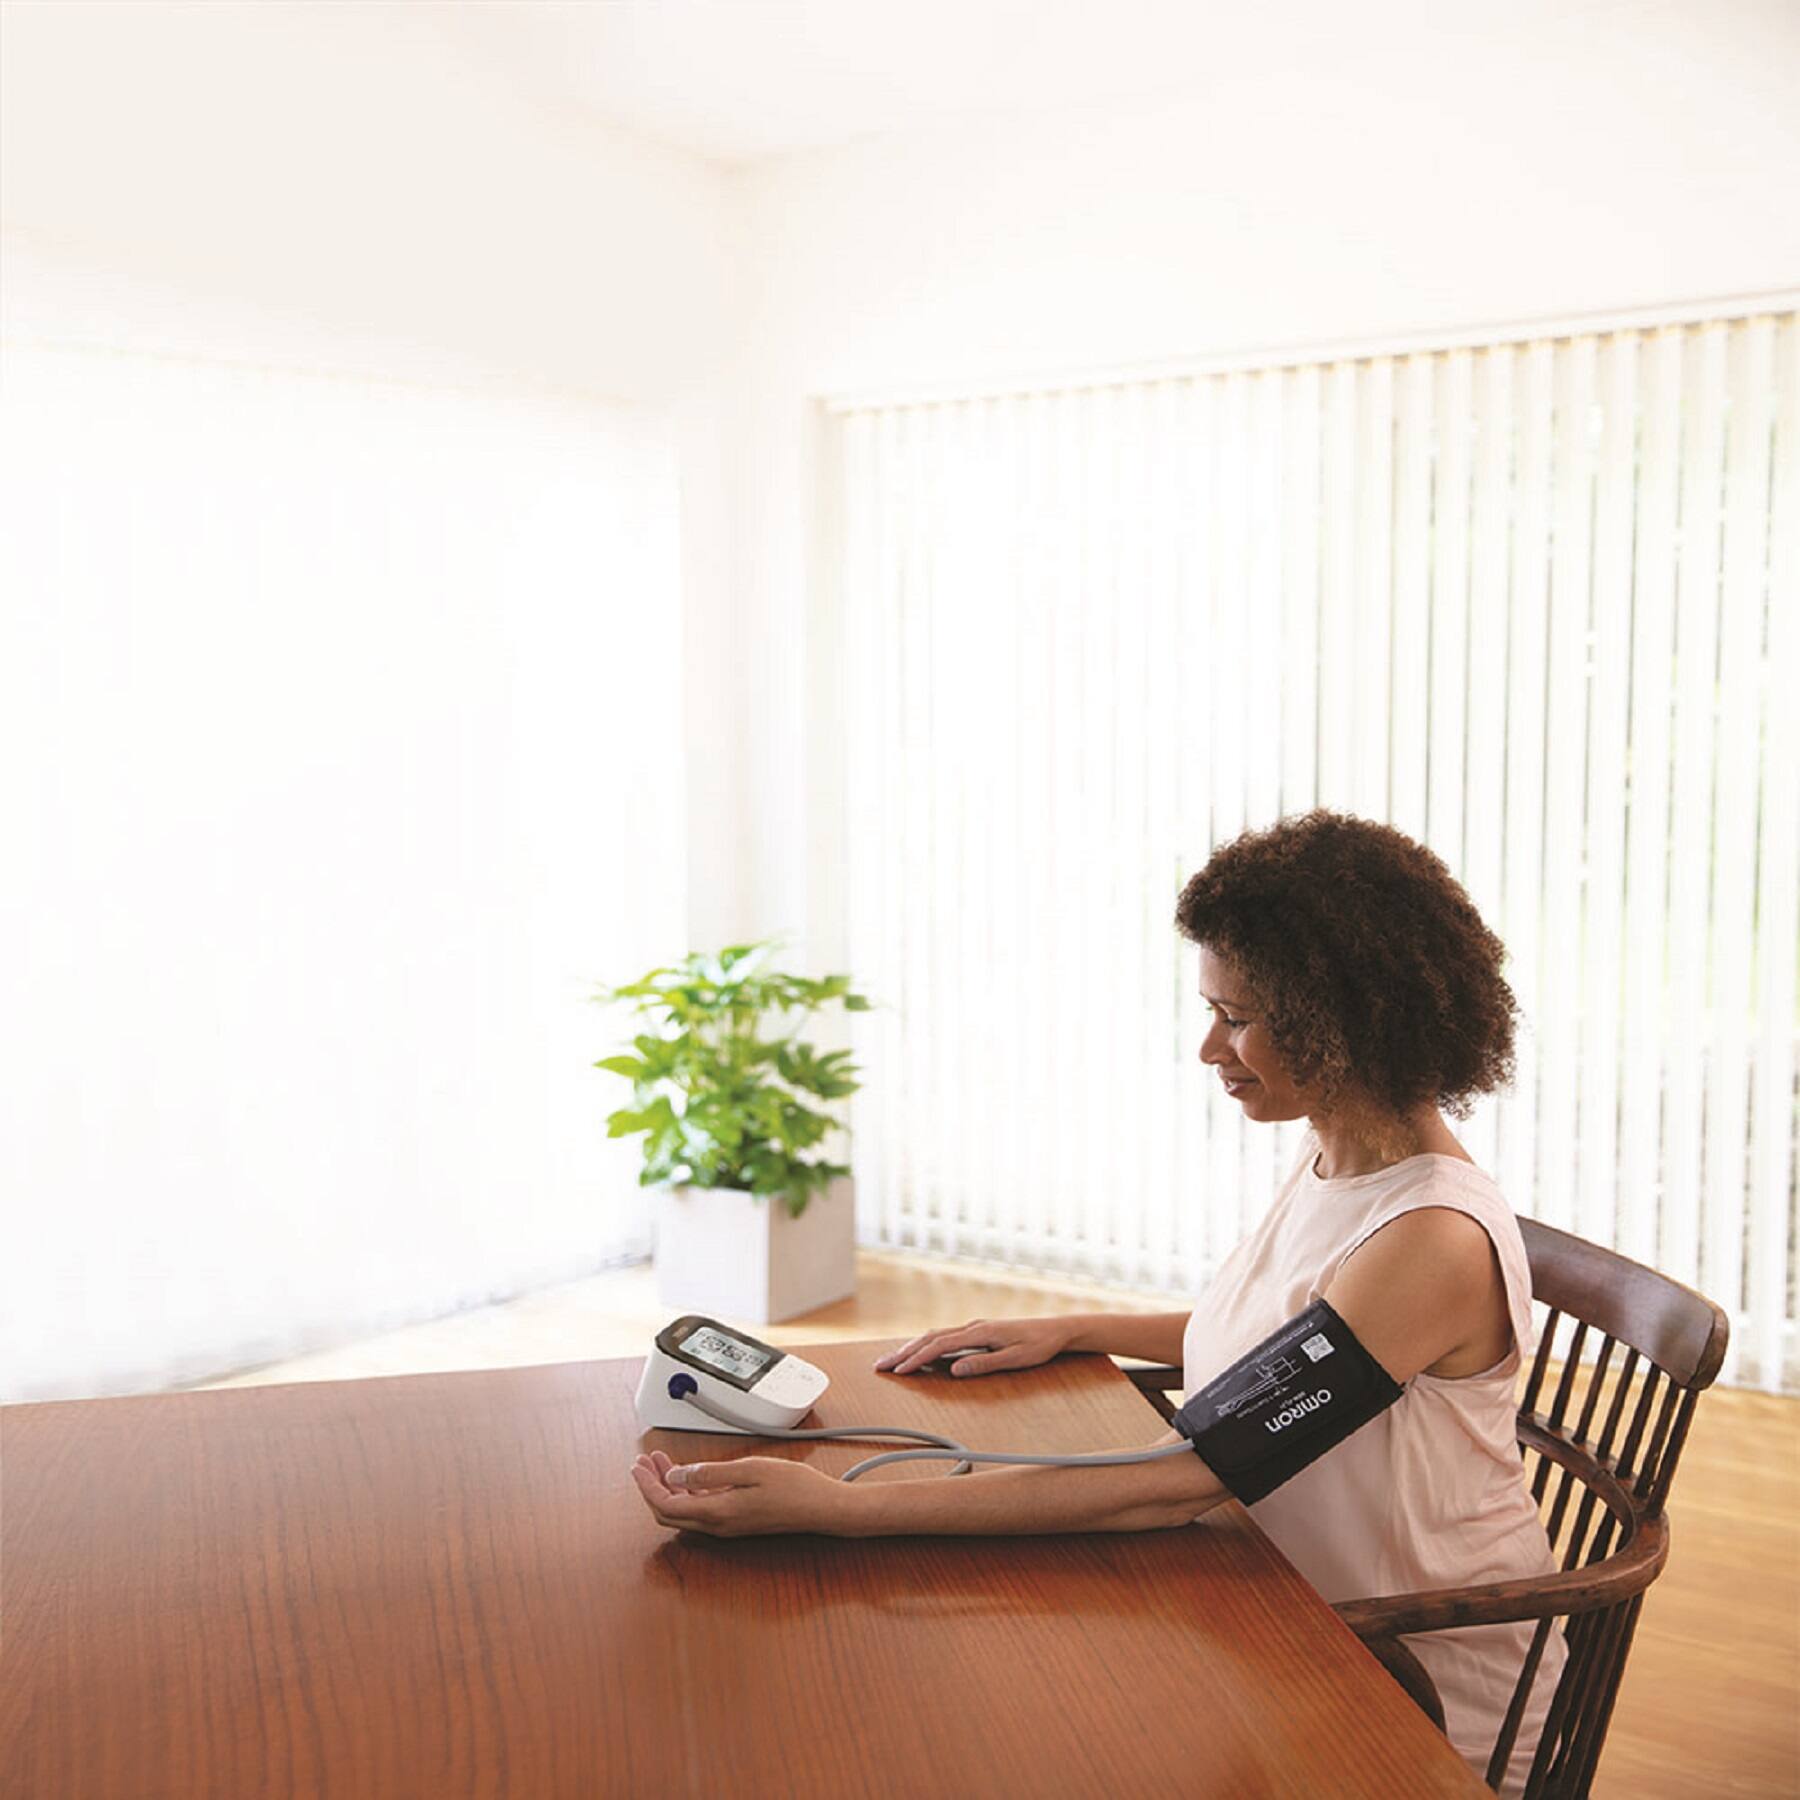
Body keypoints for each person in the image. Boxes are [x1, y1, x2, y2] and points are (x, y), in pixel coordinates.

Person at [631, 811, 1563, 1791]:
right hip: (1276, 1610)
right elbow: (1301, 1340)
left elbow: (1186, 1482)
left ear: (1345, 1021)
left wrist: (843, 1512)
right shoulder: (1340, 1151)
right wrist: (1076, 1327)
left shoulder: (1430, 1241)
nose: (1210, 1046)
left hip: (1408, 1685)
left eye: (1238, 1016)